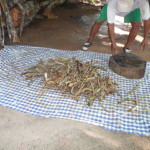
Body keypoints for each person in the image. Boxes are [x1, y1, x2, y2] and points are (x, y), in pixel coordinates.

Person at [82, 0, 150, 54]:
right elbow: (110, 24)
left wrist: (146, 37)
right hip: (114, 6)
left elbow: (147, 20)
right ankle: (89, 41)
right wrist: (113, 42)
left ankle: (126, 47)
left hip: (133, 9)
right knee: (98, 22)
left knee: (137, 25)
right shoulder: (112, 3)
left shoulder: (142, 2)